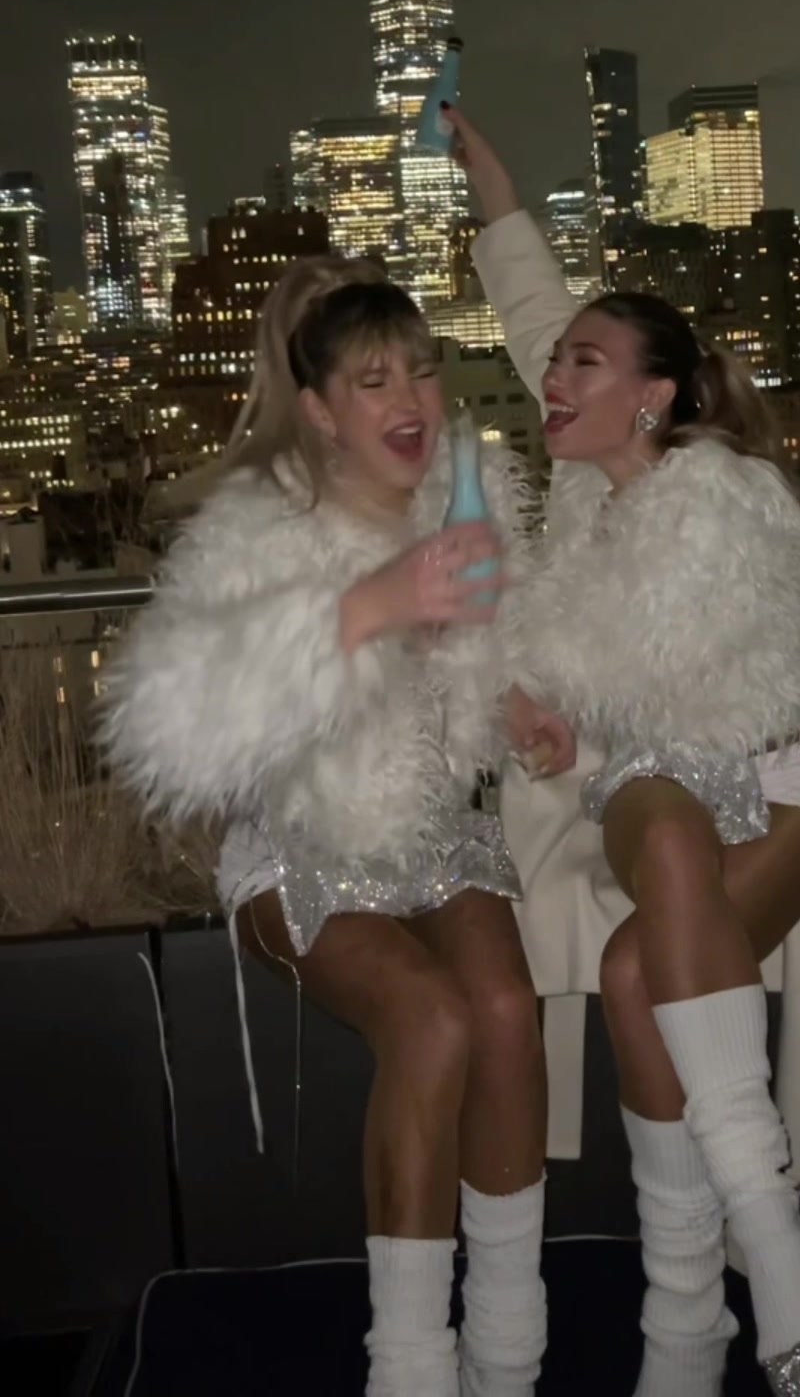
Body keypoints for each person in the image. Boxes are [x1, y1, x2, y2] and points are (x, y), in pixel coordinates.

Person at [450, 105, 800, 1397]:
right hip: (657, 807)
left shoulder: (727, 494)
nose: (553, 379)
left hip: (780, 790)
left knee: (649, 894)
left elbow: (729, 702)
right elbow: (534, 312)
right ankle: (706, 1314)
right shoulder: (584, 502)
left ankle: (737, 1272)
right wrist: (492, 188)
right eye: (554, 365)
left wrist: (558, 700)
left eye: (585, 365)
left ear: (653, 397)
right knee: (648, 872)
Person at [102, 255, 570, 1397]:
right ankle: (408, 1370)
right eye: (373, 379)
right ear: (317, 409)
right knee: (433, 1020)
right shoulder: (264, 531)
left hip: (434, 835)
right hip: (302, 850)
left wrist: (517, 705)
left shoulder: (466, 491)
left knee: (508, 1012)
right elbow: (174, 720)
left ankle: (508, 1354)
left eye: (420, 369)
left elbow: (488, 643)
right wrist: (365, 609)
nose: (411, 399)